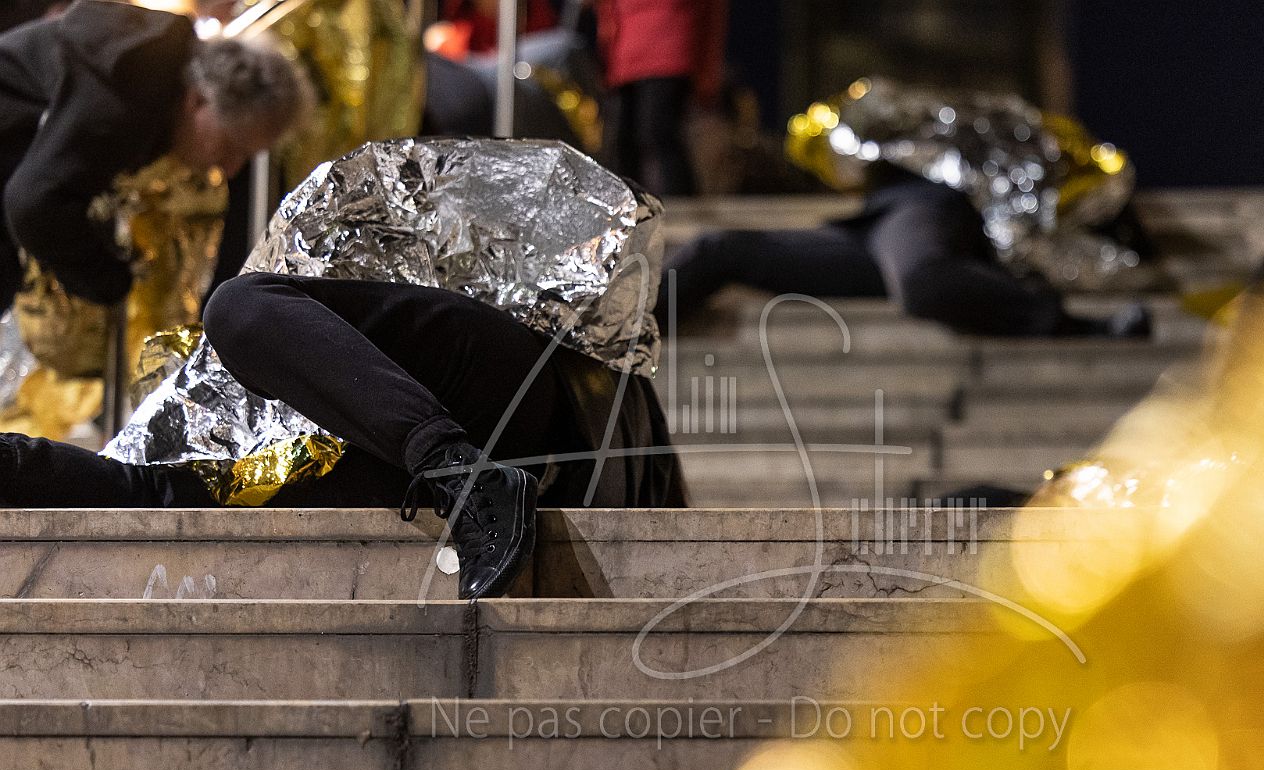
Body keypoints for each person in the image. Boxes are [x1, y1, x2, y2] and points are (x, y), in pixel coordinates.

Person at [0, 273, 687, 599]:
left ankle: (459, 473)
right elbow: (130, 487)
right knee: (161, 495)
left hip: (494, 384)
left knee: (236, 306)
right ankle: (461, 475)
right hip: (400, 453)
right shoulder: (179, 472)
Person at [0, 0, 309, 312]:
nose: (230, 169)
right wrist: (110, 281)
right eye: (232, 146)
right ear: (199, 100)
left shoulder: (147, 68)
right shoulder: (126, 88)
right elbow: (31, 205)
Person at [660, 165, 1151, 339]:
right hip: (870, 228)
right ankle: (630, 321)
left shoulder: (951, 165)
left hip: (928, 211)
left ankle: (1077, 325)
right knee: (721, 246)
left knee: (923, 281)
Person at [595, 0, 726, 196]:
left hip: (668, 53)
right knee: (620, 142)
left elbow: (712, 12)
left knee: (658, 134)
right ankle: (627, 205)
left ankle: (683, 206)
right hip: (625, 58)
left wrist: (708, 70)